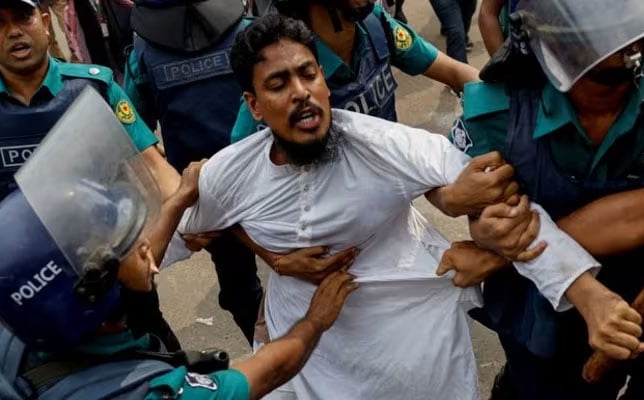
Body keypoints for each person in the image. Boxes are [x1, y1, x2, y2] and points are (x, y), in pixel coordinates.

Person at [173, 14, 610, 400]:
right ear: (254, 106)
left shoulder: (380, 143)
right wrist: (271, 257)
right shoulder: (231, 171)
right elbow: (183, 236)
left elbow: (508, 213)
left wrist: (585, 292)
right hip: (305, 342)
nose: (301, 92)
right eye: (279, 84)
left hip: (409, 330)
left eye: (309, 75)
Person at [0, 88, 358, 400]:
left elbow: (124, 276)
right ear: (89, 294)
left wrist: (177, 201)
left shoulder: (23, 337)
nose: (145, 247)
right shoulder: (152, 392)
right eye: (126, 244)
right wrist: (314, 321)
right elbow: (265, 372)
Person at [0, 0, 182, 355]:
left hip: (109, 260)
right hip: (30, 278)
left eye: (23, 17)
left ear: (42, 21)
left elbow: (152, 166)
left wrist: (185, 213)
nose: (13, 31)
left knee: (154, 354)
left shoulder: (95, 89)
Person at [448, 1, 644, 398]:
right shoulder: (498, 113)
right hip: (536, 310)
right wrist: (494, 241)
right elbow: (495, 223)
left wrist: (497, 254)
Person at [123, 0, 263, 343]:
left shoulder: (142, 54)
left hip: (209, 195)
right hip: (249, 183)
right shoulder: (248, 33)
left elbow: (134, 138)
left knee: (243, 286)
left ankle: (273, 364)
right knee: (258, 282)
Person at [230, 0, 479, 143]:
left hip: (395, 189)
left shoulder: (376, 25)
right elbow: (241, 156)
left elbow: (457, 73)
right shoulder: (285, 66)